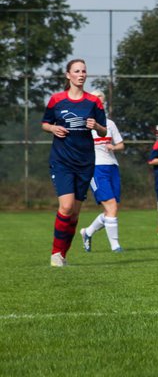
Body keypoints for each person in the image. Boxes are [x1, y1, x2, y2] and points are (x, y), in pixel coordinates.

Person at [40, 59, 108, 266]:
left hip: (85, 162)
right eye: (77, 71)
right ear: (68, 75)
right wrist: (53, 129)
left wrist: (95, 125)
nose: (81, 74)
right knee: (67, 206)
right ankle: (55, 254)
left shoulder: (93, 102)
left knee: (75, 213)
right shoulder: (57, 100)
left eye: (84, 71)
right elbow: (45, 123)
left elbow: (104, 131)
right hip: (62, 161)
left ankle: (63, 255)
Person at [80, 114, 126, 253]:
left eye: (101, 100)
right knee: (111, 206)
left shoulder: (109, 123)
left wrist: (113, 147)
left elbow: (121, 145)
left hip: (112, 167)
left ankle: (87, 232)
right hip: (95, 168)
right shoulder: (83, 124)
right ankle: (115, 246)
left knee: (110, 210)